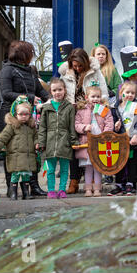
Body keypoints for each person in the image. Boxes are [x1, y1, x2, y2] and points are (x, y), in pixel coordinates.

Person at [0, 40, 50, 197]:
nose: (32, 56)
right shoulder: (7, 70)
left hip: (29, 117)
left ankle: (33, 186)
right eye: (30, 53)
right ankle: (11, 188)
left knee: (31, 152)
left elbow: (41, 90)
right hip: (11, 117)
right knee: (12, 152)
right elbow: (6, 93)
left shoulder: (30, 71)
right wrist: (30, 97)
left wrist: (50, 99)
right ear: (23, 54)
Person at [59, 48, 109, 194]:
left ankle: (93, 180)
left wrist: (102, 109)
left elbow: (104, 92)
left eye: (80, 65)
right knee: (74, 146)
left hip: (91, 112)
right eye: (75, 66)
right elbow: (62, 92)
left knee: (91, 145)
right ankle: (74, 181)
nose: (78, 68)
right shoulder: (66, 73)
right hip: (72, 112)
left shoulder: (95, 72)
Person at [38, 78, 78, 199]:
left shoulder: (69, 107)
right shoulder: (47, 108)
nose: (57, 92)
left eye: (60, 89)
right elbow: (42, 127)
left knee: (65, 169)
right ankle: (51, 190)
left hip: (64, 141)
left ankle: (62, 190)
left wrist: (73, 141)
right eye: (54, 90)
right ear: (51, 91)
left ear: (64, 90)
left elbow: (72, 126)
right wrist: (41, 142)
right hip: (50, 143)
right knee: (50, 169)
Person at [0, 96, 38, 200]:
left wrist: (36, 143)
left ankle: (26, 193)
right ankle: (13, 193)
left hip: (27, 156)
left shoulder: (31, 126)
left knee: (26, 175)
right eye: (21, 114)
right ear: (15, 114)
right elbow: (2, 138)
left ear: (29, 115)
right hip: (15, 157)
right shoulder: (12, 126)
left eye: (26, 114)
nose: (23, 117)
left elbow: (35, 137)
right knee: (15, 175)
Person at [75, 85, 114, 197]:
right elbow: (76, 124)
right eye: (93, 96)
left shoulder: (104, 109)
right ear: (87, 97)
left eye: (98, 96)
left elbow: (109, 123)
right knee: (88, 167)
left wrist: (105, 134)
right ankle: (88, 189)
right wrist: (84, 127)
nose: (95, 99)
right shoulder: (81, 110)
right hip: (87, 141)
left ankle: (97, 189)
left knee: (98, 166)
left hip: (100, 141)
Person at [107, 81, 137, 196]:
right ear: (121, 93)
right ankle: (119, 184)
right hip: (120, 139)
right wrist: (116, 127)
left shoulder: (136, 107)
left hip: (132, 138)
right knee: (119, 162)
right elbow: (112, 122)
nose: (130, 95)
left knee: (132, 162)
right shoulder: (115, 107)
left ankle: (130, 183)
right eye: (127, 92)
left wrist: (135, 135)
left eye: (132, 93)